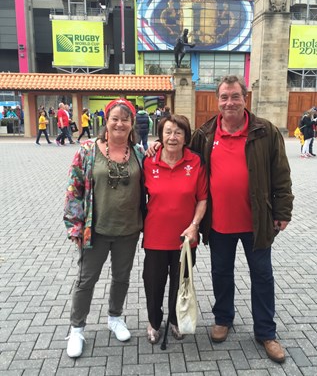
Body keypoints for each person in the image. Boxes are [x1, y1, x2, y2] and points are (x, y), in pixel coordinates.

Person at [188, 75, 294, 363]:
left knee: (262, 276)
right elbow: (186, 161)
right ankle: (223, 319)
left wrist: (283, 211)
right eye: (224, 97)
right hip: (219, 224)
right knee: (221, 274)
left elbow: (281, 174)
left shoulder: (265, 131)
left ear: (244, 98)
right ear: (217, 100)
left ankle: (266, 333)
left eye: (235, 96)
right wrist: (154, 148)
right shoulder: (205, 133)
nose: (229, 102)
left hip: (256, 223)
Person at [64, 98, 146, 358]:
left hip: (128, 230)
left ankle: (115, 317)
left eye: (125, 119)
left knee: (121, 278)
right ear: (106, 121)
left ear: (132, 124)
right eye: (115, 118)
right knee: (86, 280)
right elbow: (73, 189)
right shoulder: (88, 151)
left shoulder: (140, 154)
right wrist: (75, 227)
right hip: (95, 231)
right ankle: (77, 328)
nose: (120, 123)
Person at [143, 115, 207, 343]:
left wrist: (194, 226)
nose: (173, 137)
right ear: (160, 136)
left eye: (178, 132)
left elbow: (202, 199)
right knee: (153, 282)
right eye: (168, 132)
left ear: (185, 137)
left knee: (181, 283)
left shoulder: (196, 162)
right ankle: (153, 321)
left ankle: (175, 319)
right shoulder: (148, 161)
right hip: (155, 236)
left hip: (186, 238)